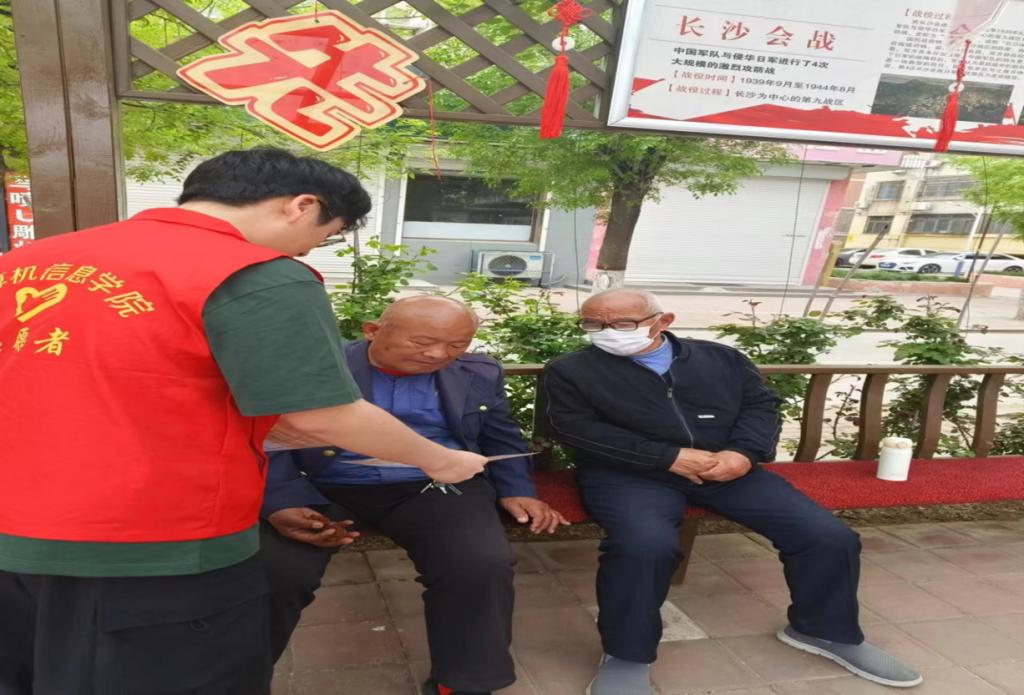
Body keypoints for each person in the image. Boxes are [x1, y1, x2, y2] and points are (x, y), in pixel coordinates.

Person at [0, 148, 485, 695]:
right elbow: (322, 413)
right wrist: (440, 459)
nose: (309, 250)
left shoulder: (28, 262)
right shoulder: (257, 274)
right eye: (325, 236)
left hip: (13, 529)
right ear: (302, 206)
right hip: (152, 540)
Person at [541, 289, 923, 694]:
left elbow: (761, 407)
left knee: (826, 536)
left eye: (622, 323)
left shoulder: (720, 359)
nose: (606, 332)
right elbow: (571, 428)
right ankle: (626, 655)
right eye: (593, 323)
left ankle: (823, 631)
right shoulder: (570, 370)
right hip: (629, 475)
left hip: (724, 467)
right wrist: (667, 457)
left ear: (663, 321)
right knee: (643, 547)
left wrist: (742, 454)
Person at [261, 295, 569, 695]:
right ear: (372, 331)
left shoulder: (478, 372)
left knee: (478, 564)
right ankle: (235, 678)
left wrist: (516, 489)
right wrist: (281, 500)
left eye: (457, 344)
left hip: (434, 485)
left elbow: (500, 434)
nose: (439, 354)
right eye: (422, 341)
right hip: (318, 483)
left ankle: (463, 684)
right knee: (274, 572)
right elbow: (265, 436)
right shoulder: (314, 366)